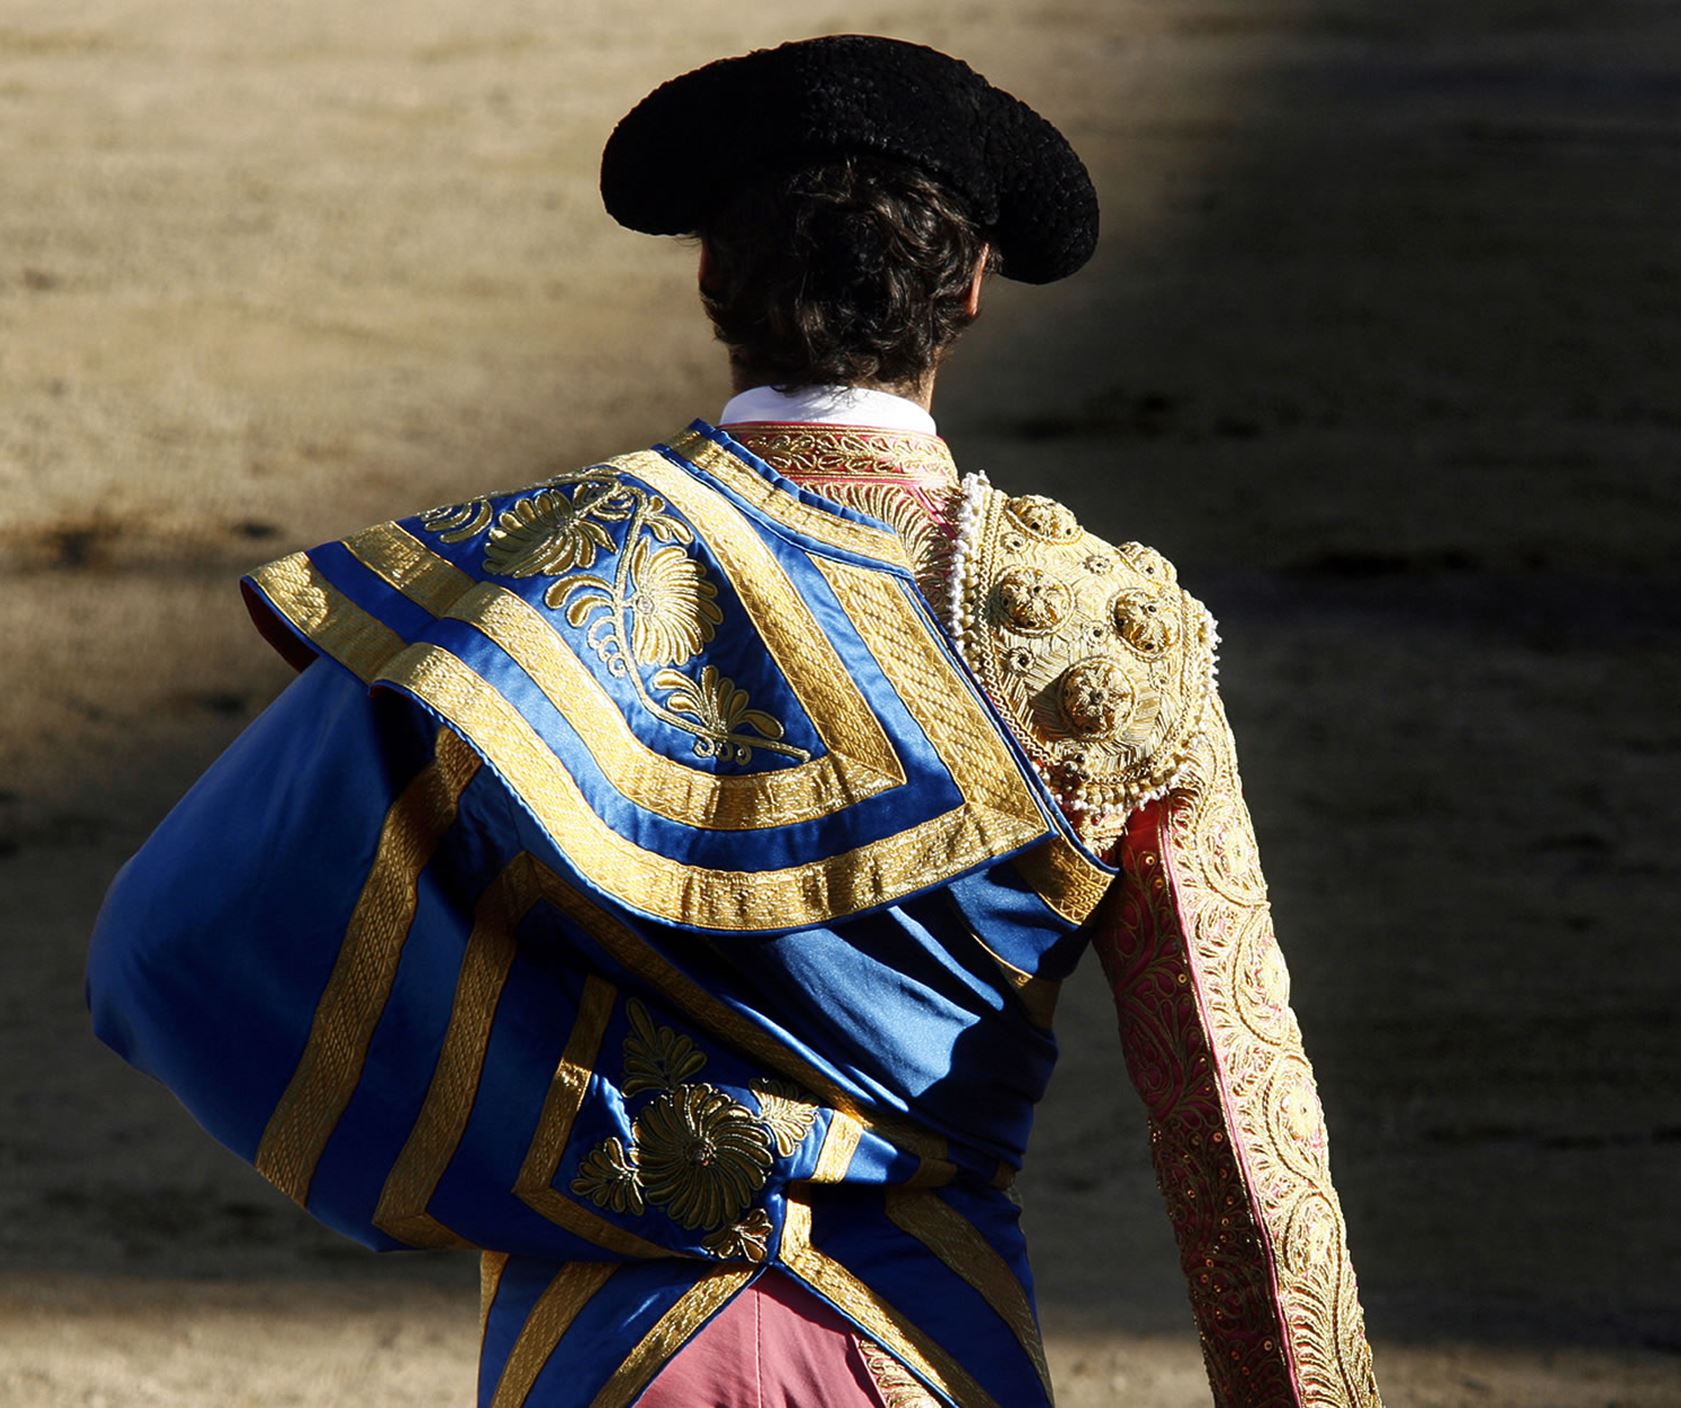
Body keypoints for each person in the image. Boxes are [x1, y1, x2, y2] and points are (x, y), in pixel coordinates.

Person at [85, 34, 1383, 1408]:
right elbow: (1243, 1138)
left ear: (713, 277)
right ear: (976, 291)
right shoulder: (1102, 638)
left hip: (601, 1355)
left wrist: (570, 1162)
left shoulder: (528, 584)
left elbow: (162, 948)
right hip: (930, 1343)